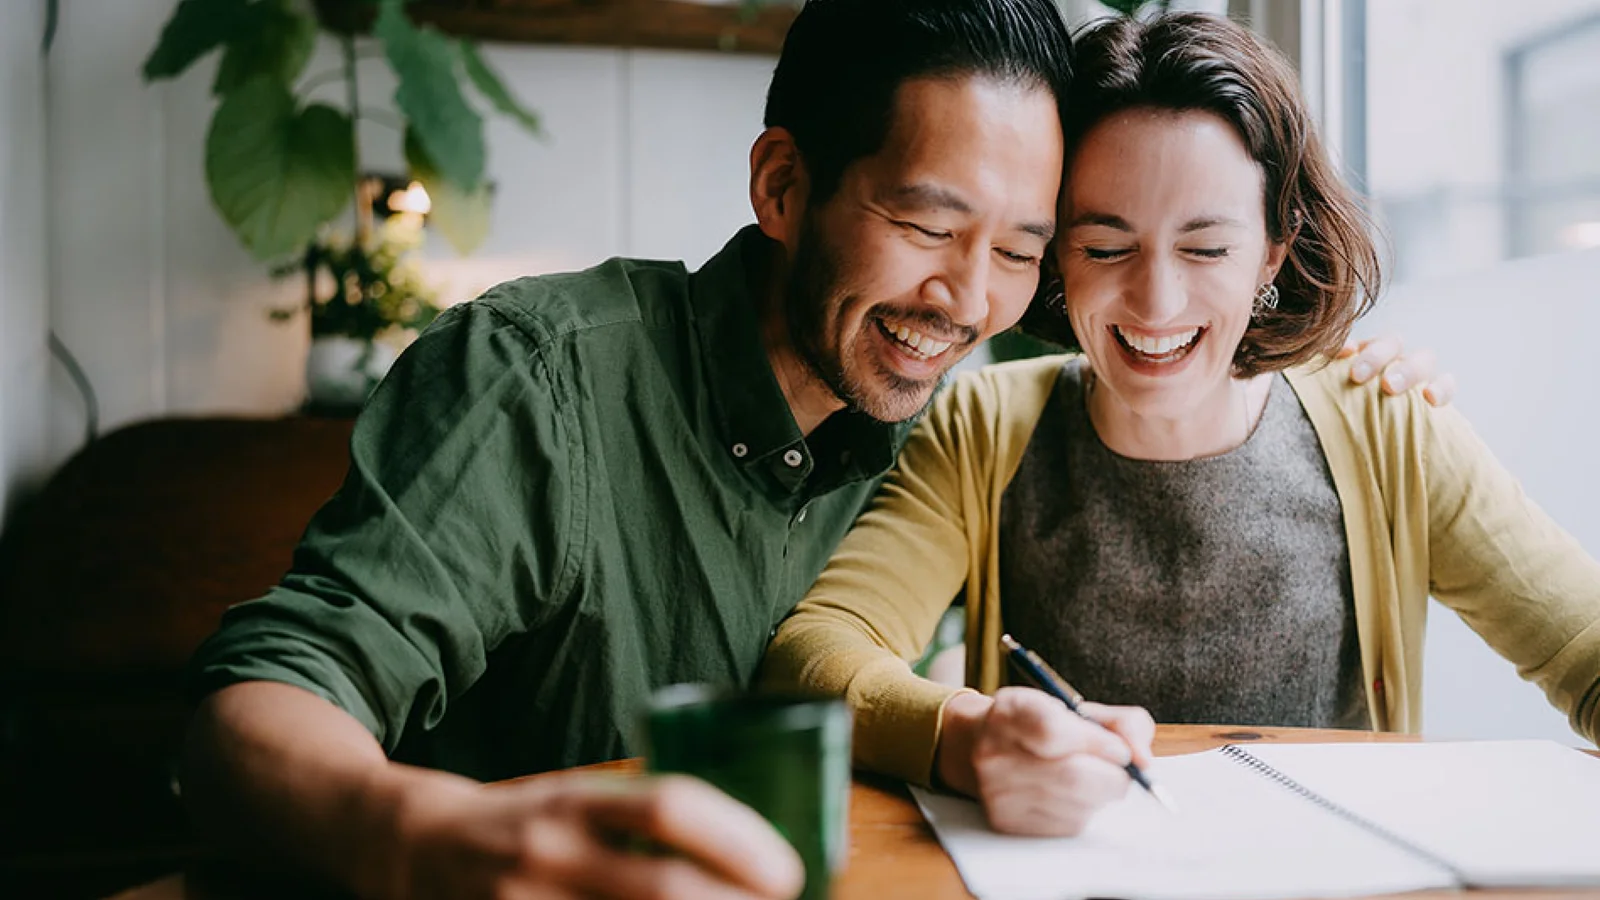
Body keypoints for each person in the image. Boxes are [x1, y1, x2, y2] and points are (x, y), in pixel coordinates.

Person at [758, 10, 1600, 841]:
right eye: (1105, 246)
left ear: (1273, 249)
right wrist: (962, 736)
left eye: (1206, 248)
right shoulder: (983, 428)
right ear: (1056, 258)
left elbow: (1583, 647)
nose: (1156, 303)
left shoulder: (1387, 425)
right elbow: (818, 651)